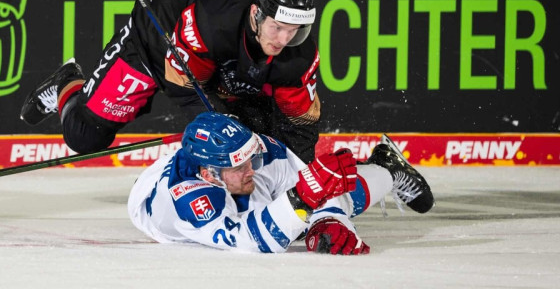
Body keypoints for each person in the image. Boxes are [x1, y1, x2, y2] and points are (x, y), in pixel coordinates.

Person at [21, 0, 322, 162]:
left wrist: (302, 187)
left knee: (263, 131)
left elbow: (300, 125)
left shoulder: (298, 53)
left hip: (217, 60)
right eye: (278, 28)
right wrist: (225, 124)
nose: (284, 40)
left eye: (295, 31)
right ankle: (67, 84)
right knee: (83, 136)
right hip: (156, 41)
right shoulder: (212, 21)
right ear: (256, 14)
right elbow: (185, 87)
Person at [127, 112, 434, 254]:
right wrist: (302, 197)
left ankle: (387, 167)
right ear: (209, 175)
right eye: (240, 165)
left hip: (236, 191)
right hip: (194, 215)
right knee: (297, 206)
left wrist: (330, 219)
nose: (252, 168)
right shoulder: (189, 200)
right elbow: (248, 242)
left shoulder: (256, 152)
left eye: (252, 158)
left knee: (327, 194)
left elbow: (322, 189)